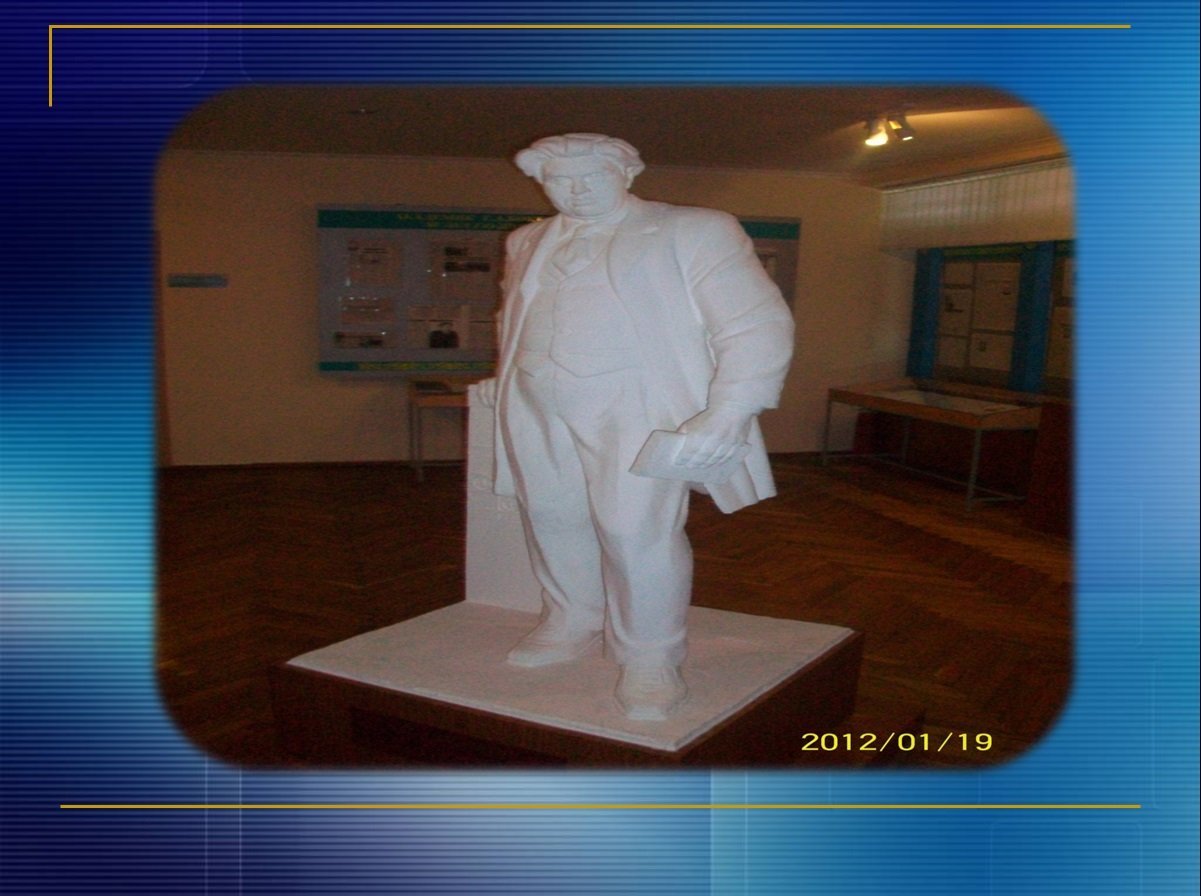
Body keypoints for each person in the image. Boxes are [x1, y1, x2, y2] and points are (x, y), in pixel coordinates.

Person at [477, 134, 794, 720]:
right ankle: (574, 616)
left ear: (627, 173)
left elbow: (754, 322)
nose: (575, 189)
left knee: (634, 529)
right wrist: (506, 374)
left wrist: (730, 408)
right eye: (558, 179)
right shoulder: (526, 240)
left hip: (635, 401)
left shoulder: (693, 230)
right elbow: (513, 314)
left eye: (592, 175)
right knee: (550, 514)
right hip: (536, 398)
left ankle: (650, 653)